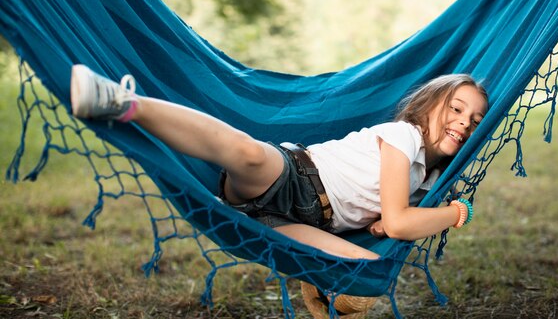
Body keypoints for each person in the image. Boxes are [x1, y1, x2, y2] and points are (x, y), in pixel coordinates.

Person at [70, 64, 488, 261]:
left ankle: (319, 291)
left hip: (301, 224)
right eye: (455, 109)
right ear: (429, 106)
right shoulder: (403, 136)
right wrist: (455, 212)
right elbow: (399, 224)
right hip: (295, 178)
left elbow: (386, 223)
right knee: (248, 152)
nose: (463, 123)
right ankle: (122, 102)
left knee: (365, 267)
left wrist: (396, 218)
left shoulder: (429, 178)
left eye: (474, 120)